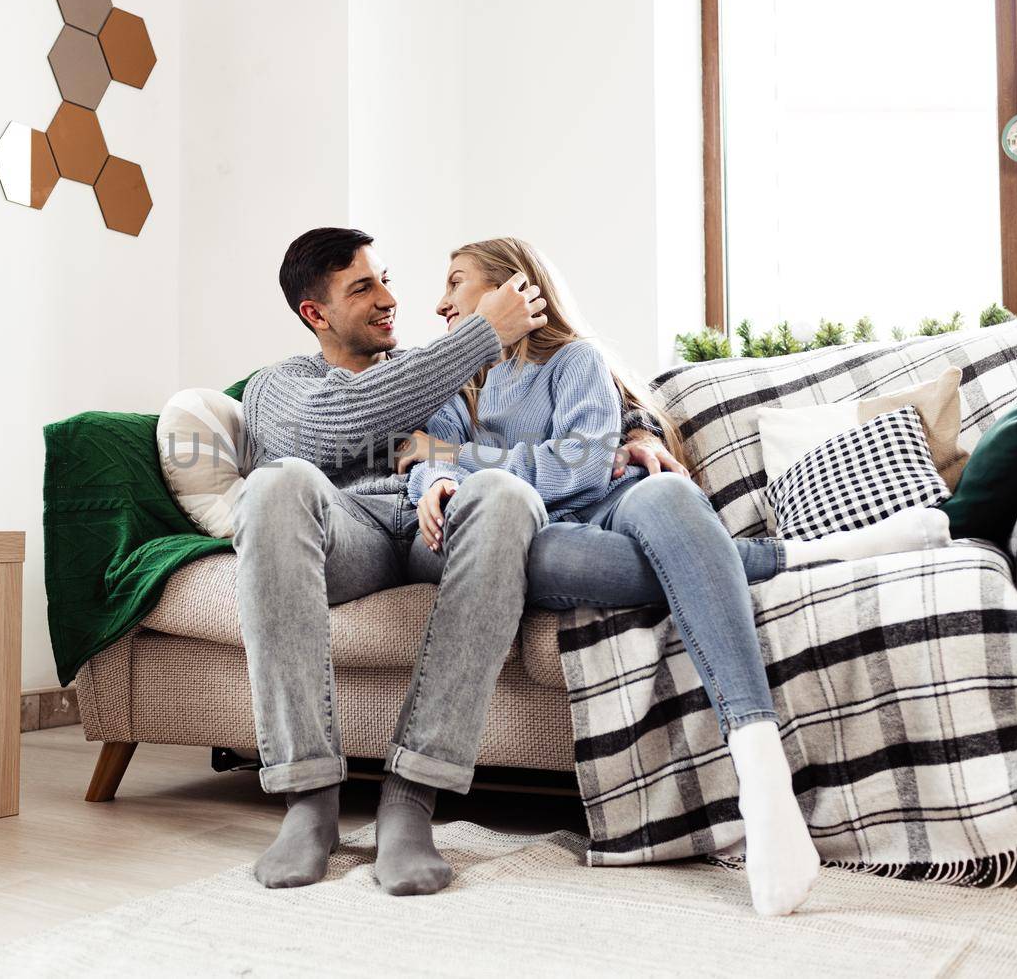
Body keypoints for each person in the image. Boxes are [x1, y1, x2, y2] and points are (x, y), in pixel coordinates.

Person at [397, 238, 951, 916]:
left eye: (457, 281)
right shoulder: (461, 389)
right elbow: (432, 460)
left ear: (516, 289)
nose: (439, 301)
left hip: (617, 505)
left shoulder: (576, 360)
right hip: (543, 541)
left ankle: (762, 776)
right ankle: (817, 553)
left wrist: (474, 463)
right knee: (544, 551)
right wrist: (446, 471)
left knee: (669, 497)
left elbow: (578, 469)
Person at [235, 227, 557, 897]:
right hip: (348, 533)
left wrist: (638, 433)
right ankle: (310, 799)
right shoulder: (280, 385)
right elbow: (333, 426)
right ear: (314, 314)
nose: (389, 298)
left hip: (433, 526)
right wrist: (477, 336)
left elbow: (557, 381)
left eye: (385, 278)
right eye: (363, 287)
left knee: (504, 493)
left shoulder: (433, 366)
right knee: (273, 484)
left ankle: (412, 797)